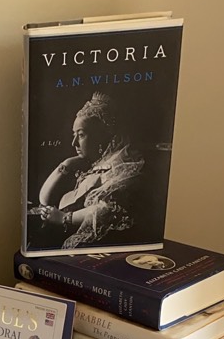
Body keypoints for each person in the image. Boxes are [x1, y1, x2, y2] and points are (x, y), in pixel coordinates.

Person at [34, 92, 147, 249]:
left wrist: (65, 218)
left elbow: (108, 209)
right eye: (74, 135)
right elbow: (44, 200)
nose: (74, 143)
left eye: (81, 135)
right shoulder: (91, 165)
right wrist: (65, 165)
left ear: (100, 136)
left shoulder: (120, 167)